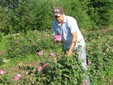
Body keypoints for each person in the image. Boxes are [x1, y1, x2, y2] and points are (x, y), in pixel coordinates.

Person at [52, 6, 90, 85]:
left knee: (82, 66)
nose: (57, 18)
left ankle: (87, 83)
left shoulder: (70, 20)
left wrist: (70, 51)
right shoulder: (54, 23)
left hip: (78, 45)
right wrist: (57, 39)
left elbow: (74, 37)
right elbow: (56, 36)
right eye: (55, 16)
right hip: (67, 46)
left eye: (58, 16)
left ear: (63, 14)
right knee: (68, 66)